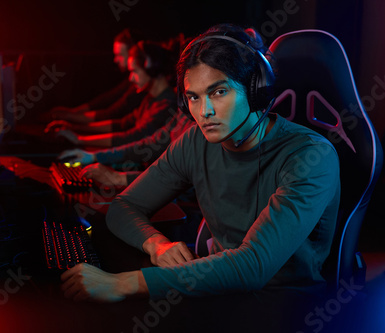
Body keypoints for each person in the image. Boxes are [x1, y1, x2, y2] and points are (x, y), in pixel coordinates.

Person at [60, 24, 340, 327]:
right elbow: (123, 207)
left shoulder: (310, 156)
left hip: (283, 306)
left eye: (218, 92)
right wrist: (156, 244)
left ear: (256, 89)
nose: (204, 111)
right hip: (219, 286)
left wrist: (124, 284)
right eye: (193, 97)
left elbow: (254, 265)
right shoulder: (195, 142)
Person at [53, 41, 177, 148]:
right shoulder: (150, 99)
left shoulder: (167, 105)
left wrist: (79, 139)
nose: (131, 78)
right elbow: (122, 123)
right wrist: (74, 128)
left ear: (151, 67)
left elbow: (132, 137)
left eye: (134, 71)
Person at [58, 108, 194, 187]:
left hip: (182, 208)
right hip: (158, 183)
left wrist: (119, 178)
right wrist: (95, 156)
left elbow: (180, 178)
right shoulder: (183, 111)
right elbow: (150, 143)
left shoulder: (200, 124)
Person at [48, 28, 147, 124]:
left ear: (133, 53)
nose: (115, 60)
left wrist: (69, 118)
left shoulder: (141, 84)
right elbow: (110, 97)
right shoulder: (133, 79)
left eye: (120, 55)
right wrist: (74, 111)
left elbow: (113, 113)